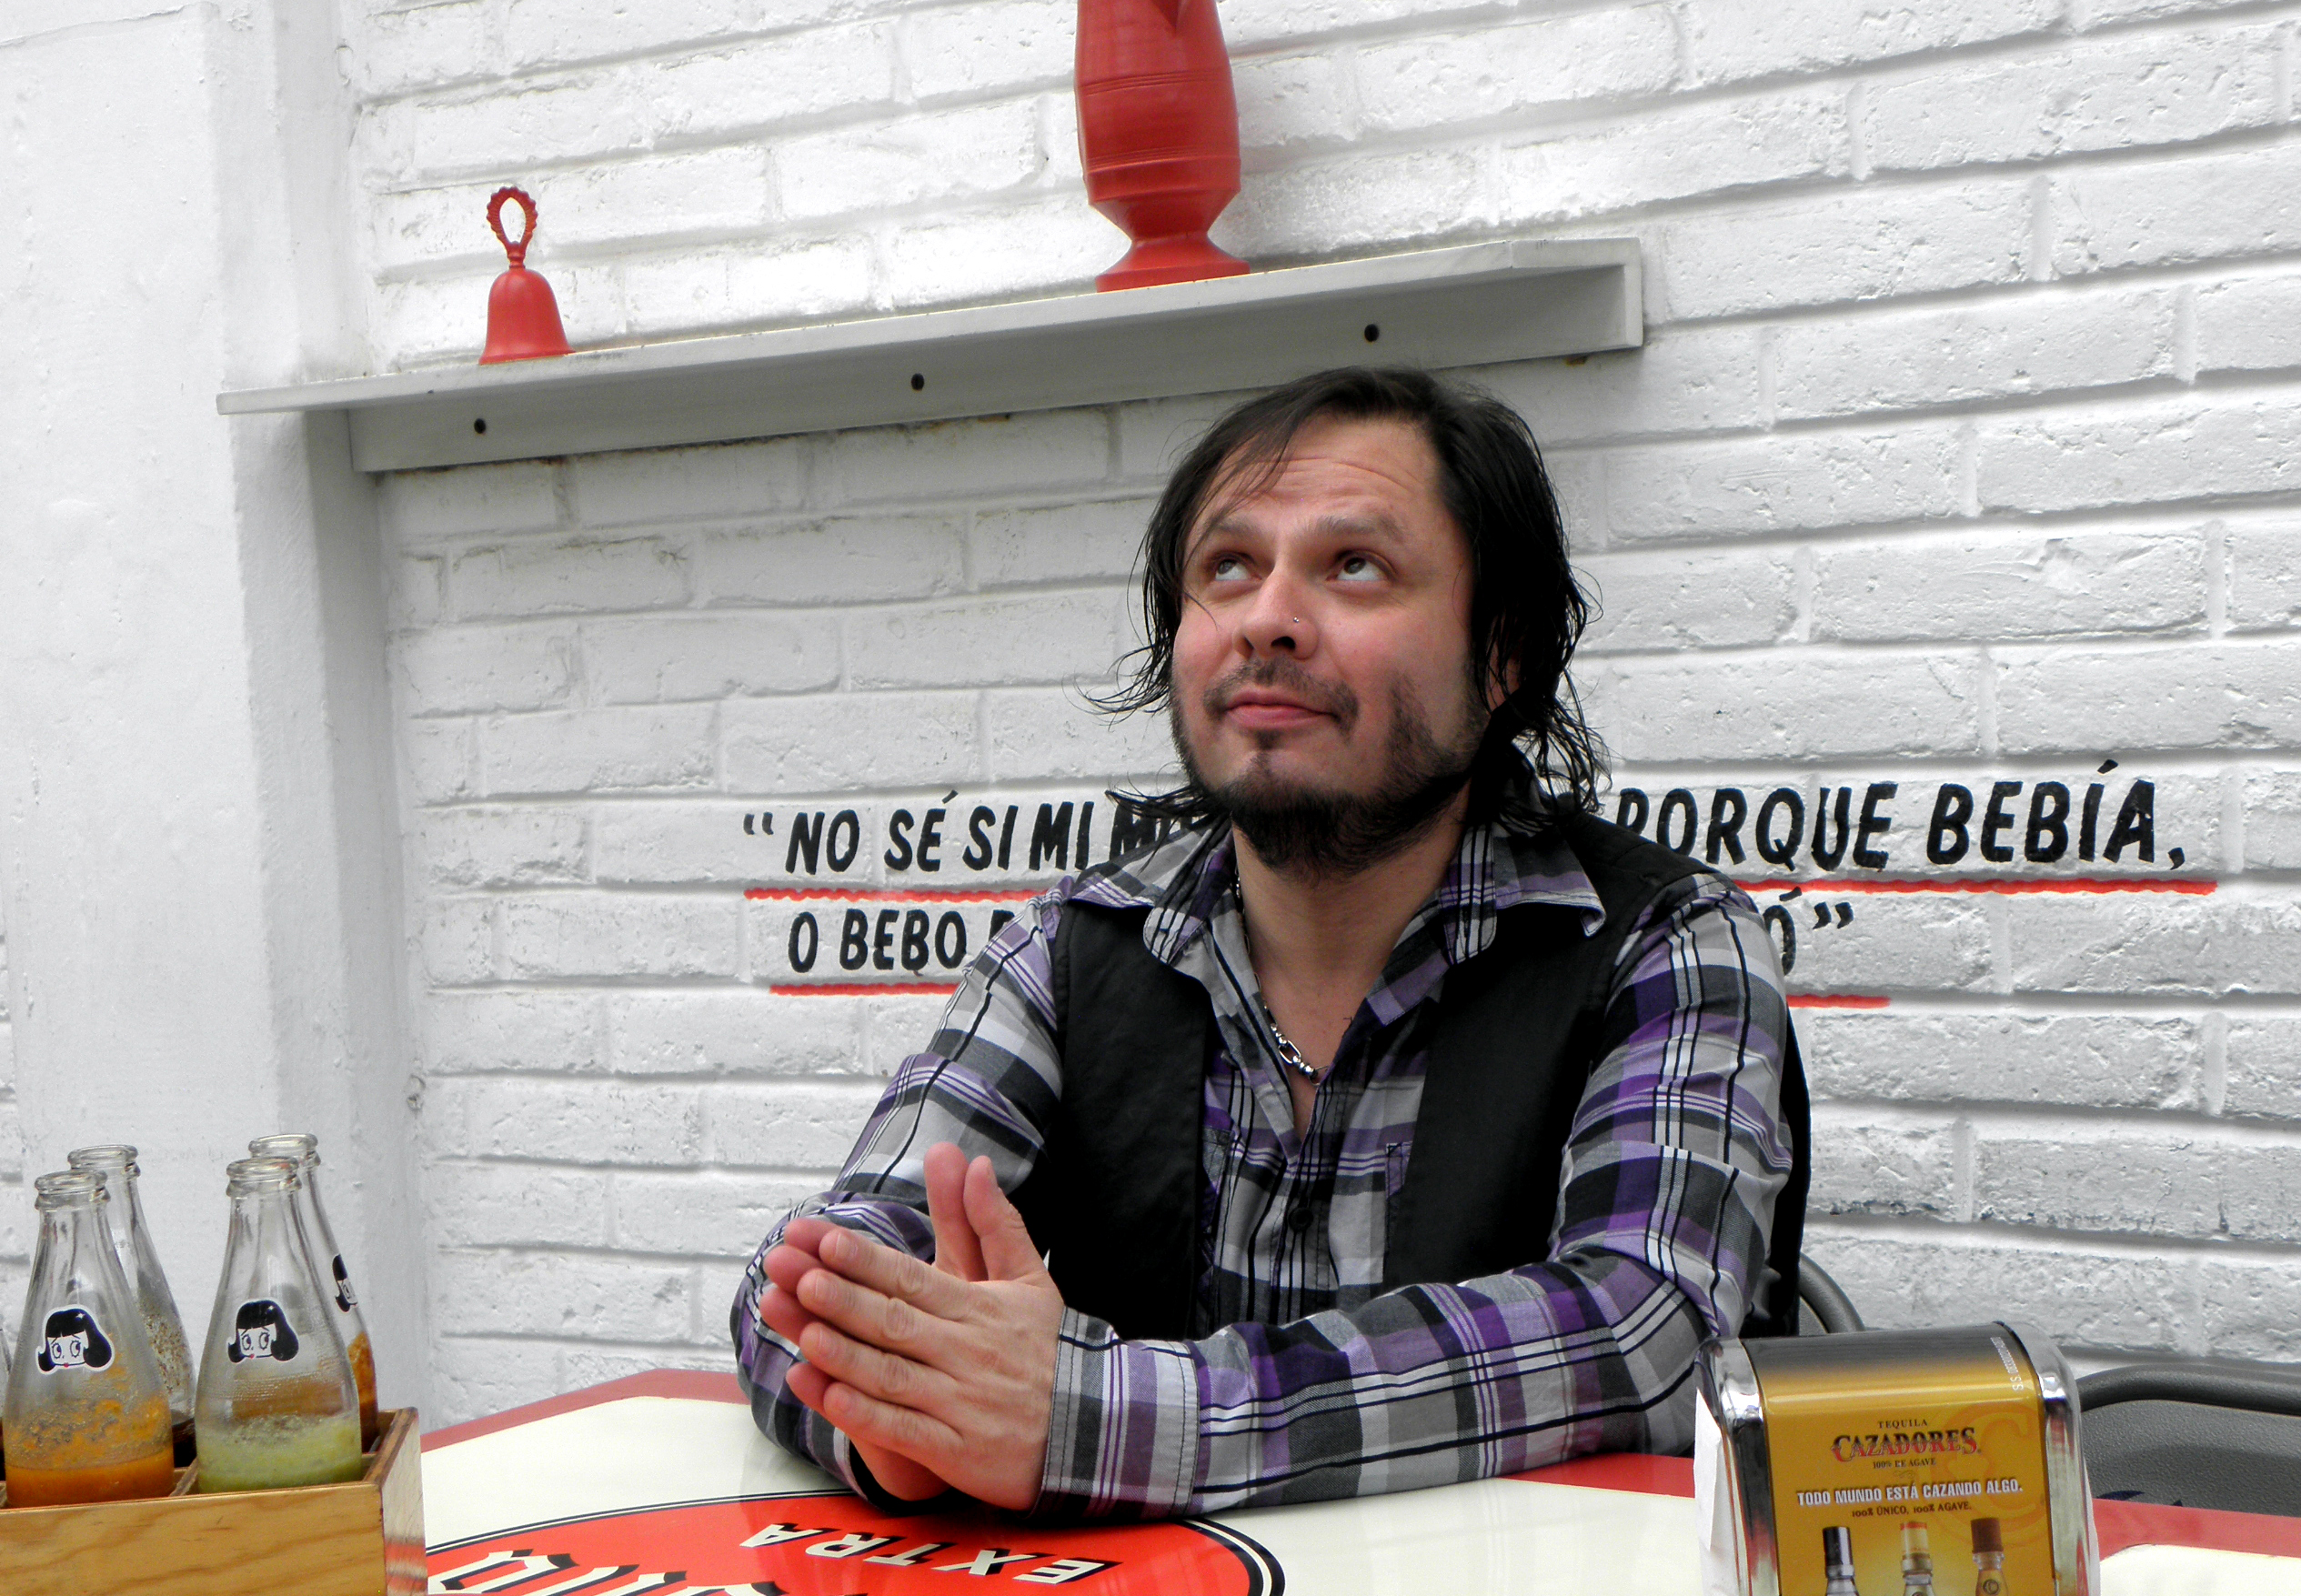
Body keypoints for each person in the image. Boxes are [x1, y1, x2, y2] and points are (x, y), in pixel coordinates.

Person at [731, 366, 1809, 1521]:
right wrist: (896, 1419)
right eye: (1227, 568)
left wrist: (1090, 1420)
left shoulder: (1659, 945)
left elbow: (1642, 1329)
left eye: (1354, 566)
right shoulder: (1072, 950)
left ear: (1500, 657)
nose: (1267, 618)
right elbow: (803, 1276)